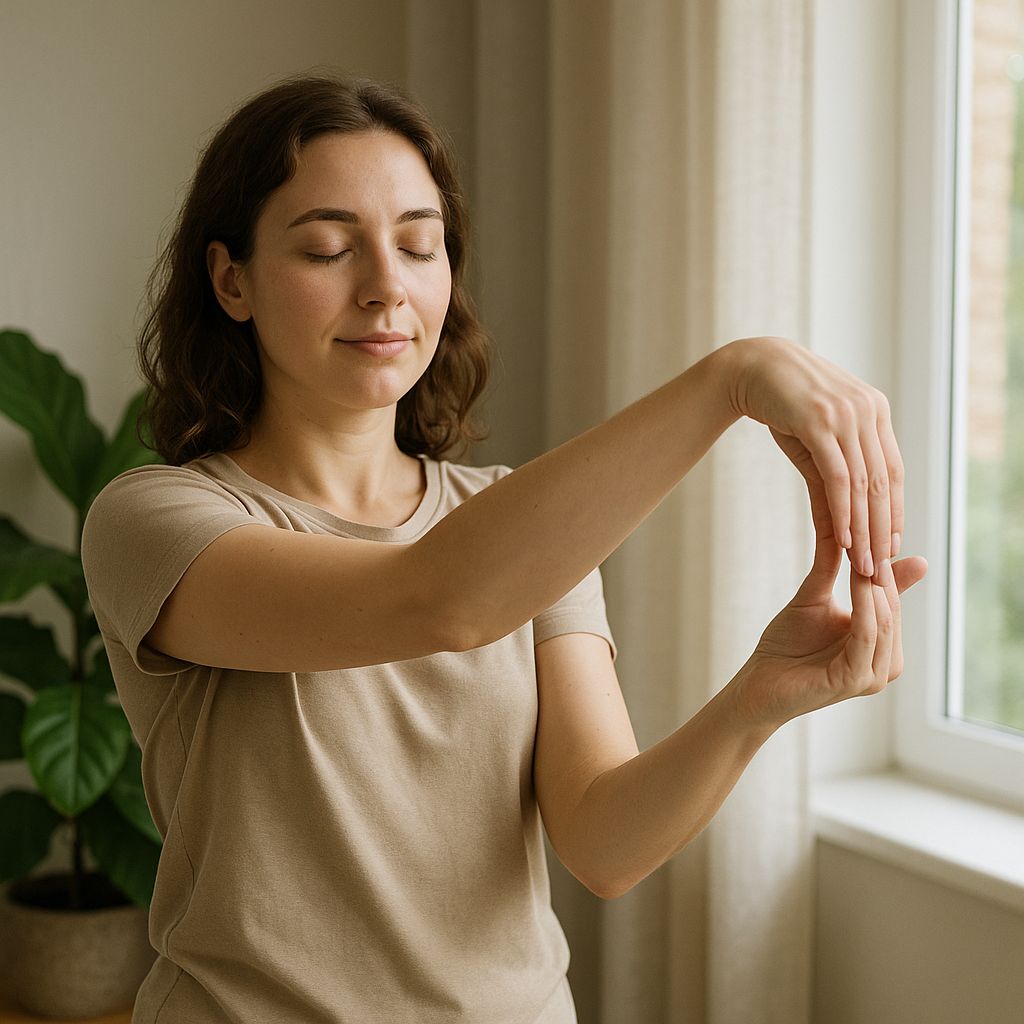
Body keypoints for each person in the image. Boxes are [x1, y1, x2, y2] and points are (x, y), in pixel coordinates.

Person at [82, 75, 927, 1024]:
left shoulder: (509, 523)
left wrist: (757, 699)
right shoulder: (157, 519)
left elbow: (604, 845)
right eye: (328, 247)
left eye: (418, 244)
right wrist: (728, 380)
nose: (386, 288)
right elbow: (435, 603)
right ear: (230, 279)